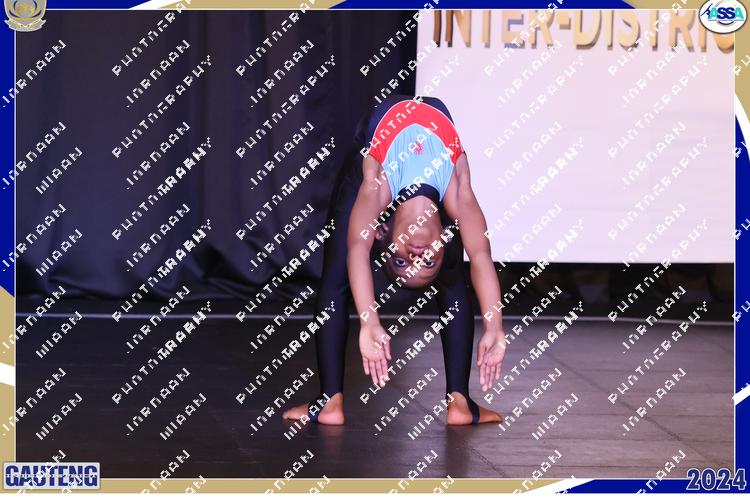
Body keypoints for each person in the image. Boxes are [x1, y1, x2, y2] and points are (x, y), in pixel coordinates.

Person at [282, 94, 506, 425]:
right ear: (445, 239)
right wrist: (494, 326)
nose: (417, 256)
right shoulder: (458, 193)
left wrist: (369, 322)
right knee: (455, 277)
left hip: (375, 136)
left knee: (340, 264)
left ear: (381, 232)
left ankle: (329, 402)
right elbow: (481, 255)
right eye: (428, 263)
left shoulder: (376, 184)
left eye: (402, 262)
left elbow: (359, 250)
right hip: (434, 119)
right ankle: (460, 402)